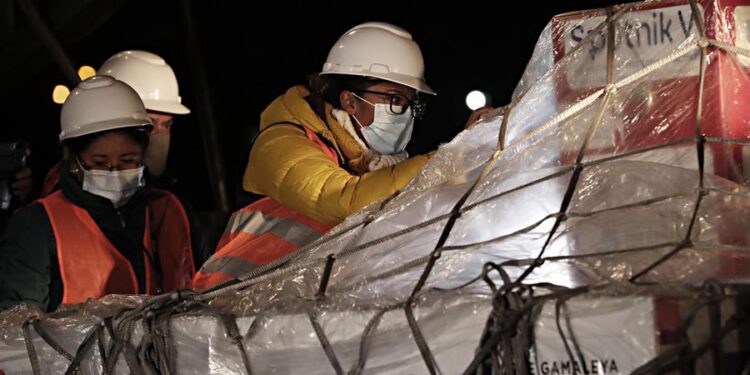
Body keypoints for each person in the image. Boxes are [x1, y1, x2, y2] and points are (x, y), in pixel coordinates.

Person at [192, 22, 492, 288]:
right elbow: (344, 201)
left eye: (410, 104)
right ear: (349, 100)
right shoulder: (282, 142)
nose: (405, 114)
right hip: (224, 310)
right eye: (395, 99)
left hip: (290, 310)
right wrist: (452, 155)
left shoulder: (366, 159)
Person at [0, 76, 206, 312]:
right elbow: (16, 330)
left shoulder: (172, 210)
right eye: (100, 162)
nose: (115, 171)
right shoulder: (38, 224)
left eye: (128, 160)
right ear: (75, 163)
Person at [41, 50, 191, 197]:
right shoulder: (62, 191)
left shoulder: (166, 197)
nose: (159, 134)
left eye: (166, 125)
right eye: (150, 123)